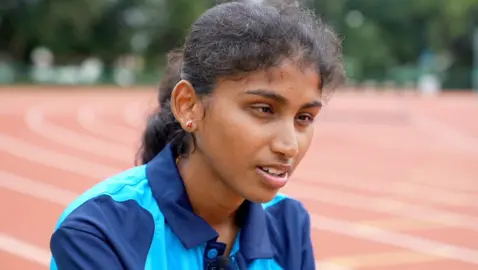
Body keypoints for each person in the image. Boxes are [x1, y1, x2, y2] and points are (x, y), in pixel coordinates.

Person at [49, 0, 346, 269]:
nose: (289, 146)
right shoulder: (100, 231)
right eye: (263, 109)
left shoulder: (287, 222)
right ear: (188, 106)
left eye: (304, 118)